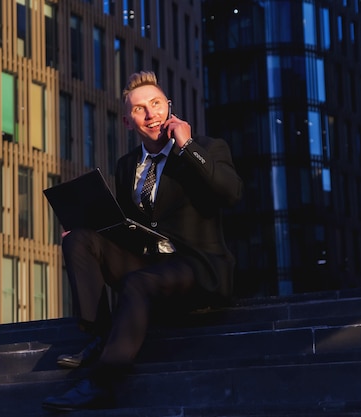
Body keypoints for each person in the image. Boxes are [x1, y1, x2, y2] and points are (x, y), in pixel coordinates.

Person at [42, 71, 243, 411]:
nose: (151, 115)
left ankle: (103, 381)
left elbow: (232, 193)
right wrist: (92, 229)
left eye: (156, 104)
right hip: (149, 264)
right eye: (140, 109)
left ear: (169, 107)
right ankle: (99, 335)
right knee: (78, 239)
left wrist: (187, 146)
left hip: (196, 267)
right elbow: (127, 227)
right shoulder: (126, 166)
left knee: (138, 283)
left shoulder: (207, 148)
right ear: (127, 121)